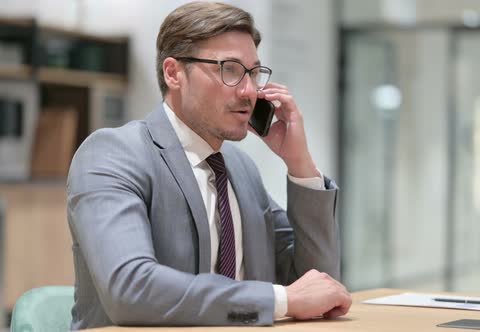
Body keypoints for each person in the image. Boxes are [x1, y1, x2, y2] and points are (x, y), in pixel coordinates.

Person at [66, 1, 351, 329]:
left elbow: (317, 282)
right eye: (229, 69)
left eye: (253, 73)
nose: (248, 91)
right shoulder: (113, 154)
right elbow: (131, 288)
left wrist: (300, 164)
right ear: (173, 73)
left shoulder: (240, 169)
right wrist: (280, 301)